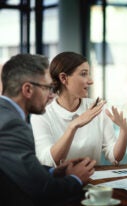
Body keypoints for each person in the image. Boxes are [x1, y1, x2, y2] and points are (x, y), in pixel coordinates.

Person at [0, 53, 96, 205]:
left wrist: (53, 172)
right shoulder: (12, 124)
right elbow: (43, 190)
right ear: (28, 90)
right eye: (47, 88)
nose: (51, 96)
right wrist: (75, 178)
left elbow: (21, 169)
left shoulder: (5, 115)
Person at [30, 51, 127, 167]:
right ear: (64, 78)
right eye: (83, 74)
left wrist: (124, 131)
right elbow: (48, 161)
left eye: (89, 74)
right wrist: (73, 126)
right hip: (59, 183)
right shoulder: (42, 115)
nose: (91, 81)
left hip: (93, 182)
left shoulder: (97, 108)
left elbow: (114, 156)